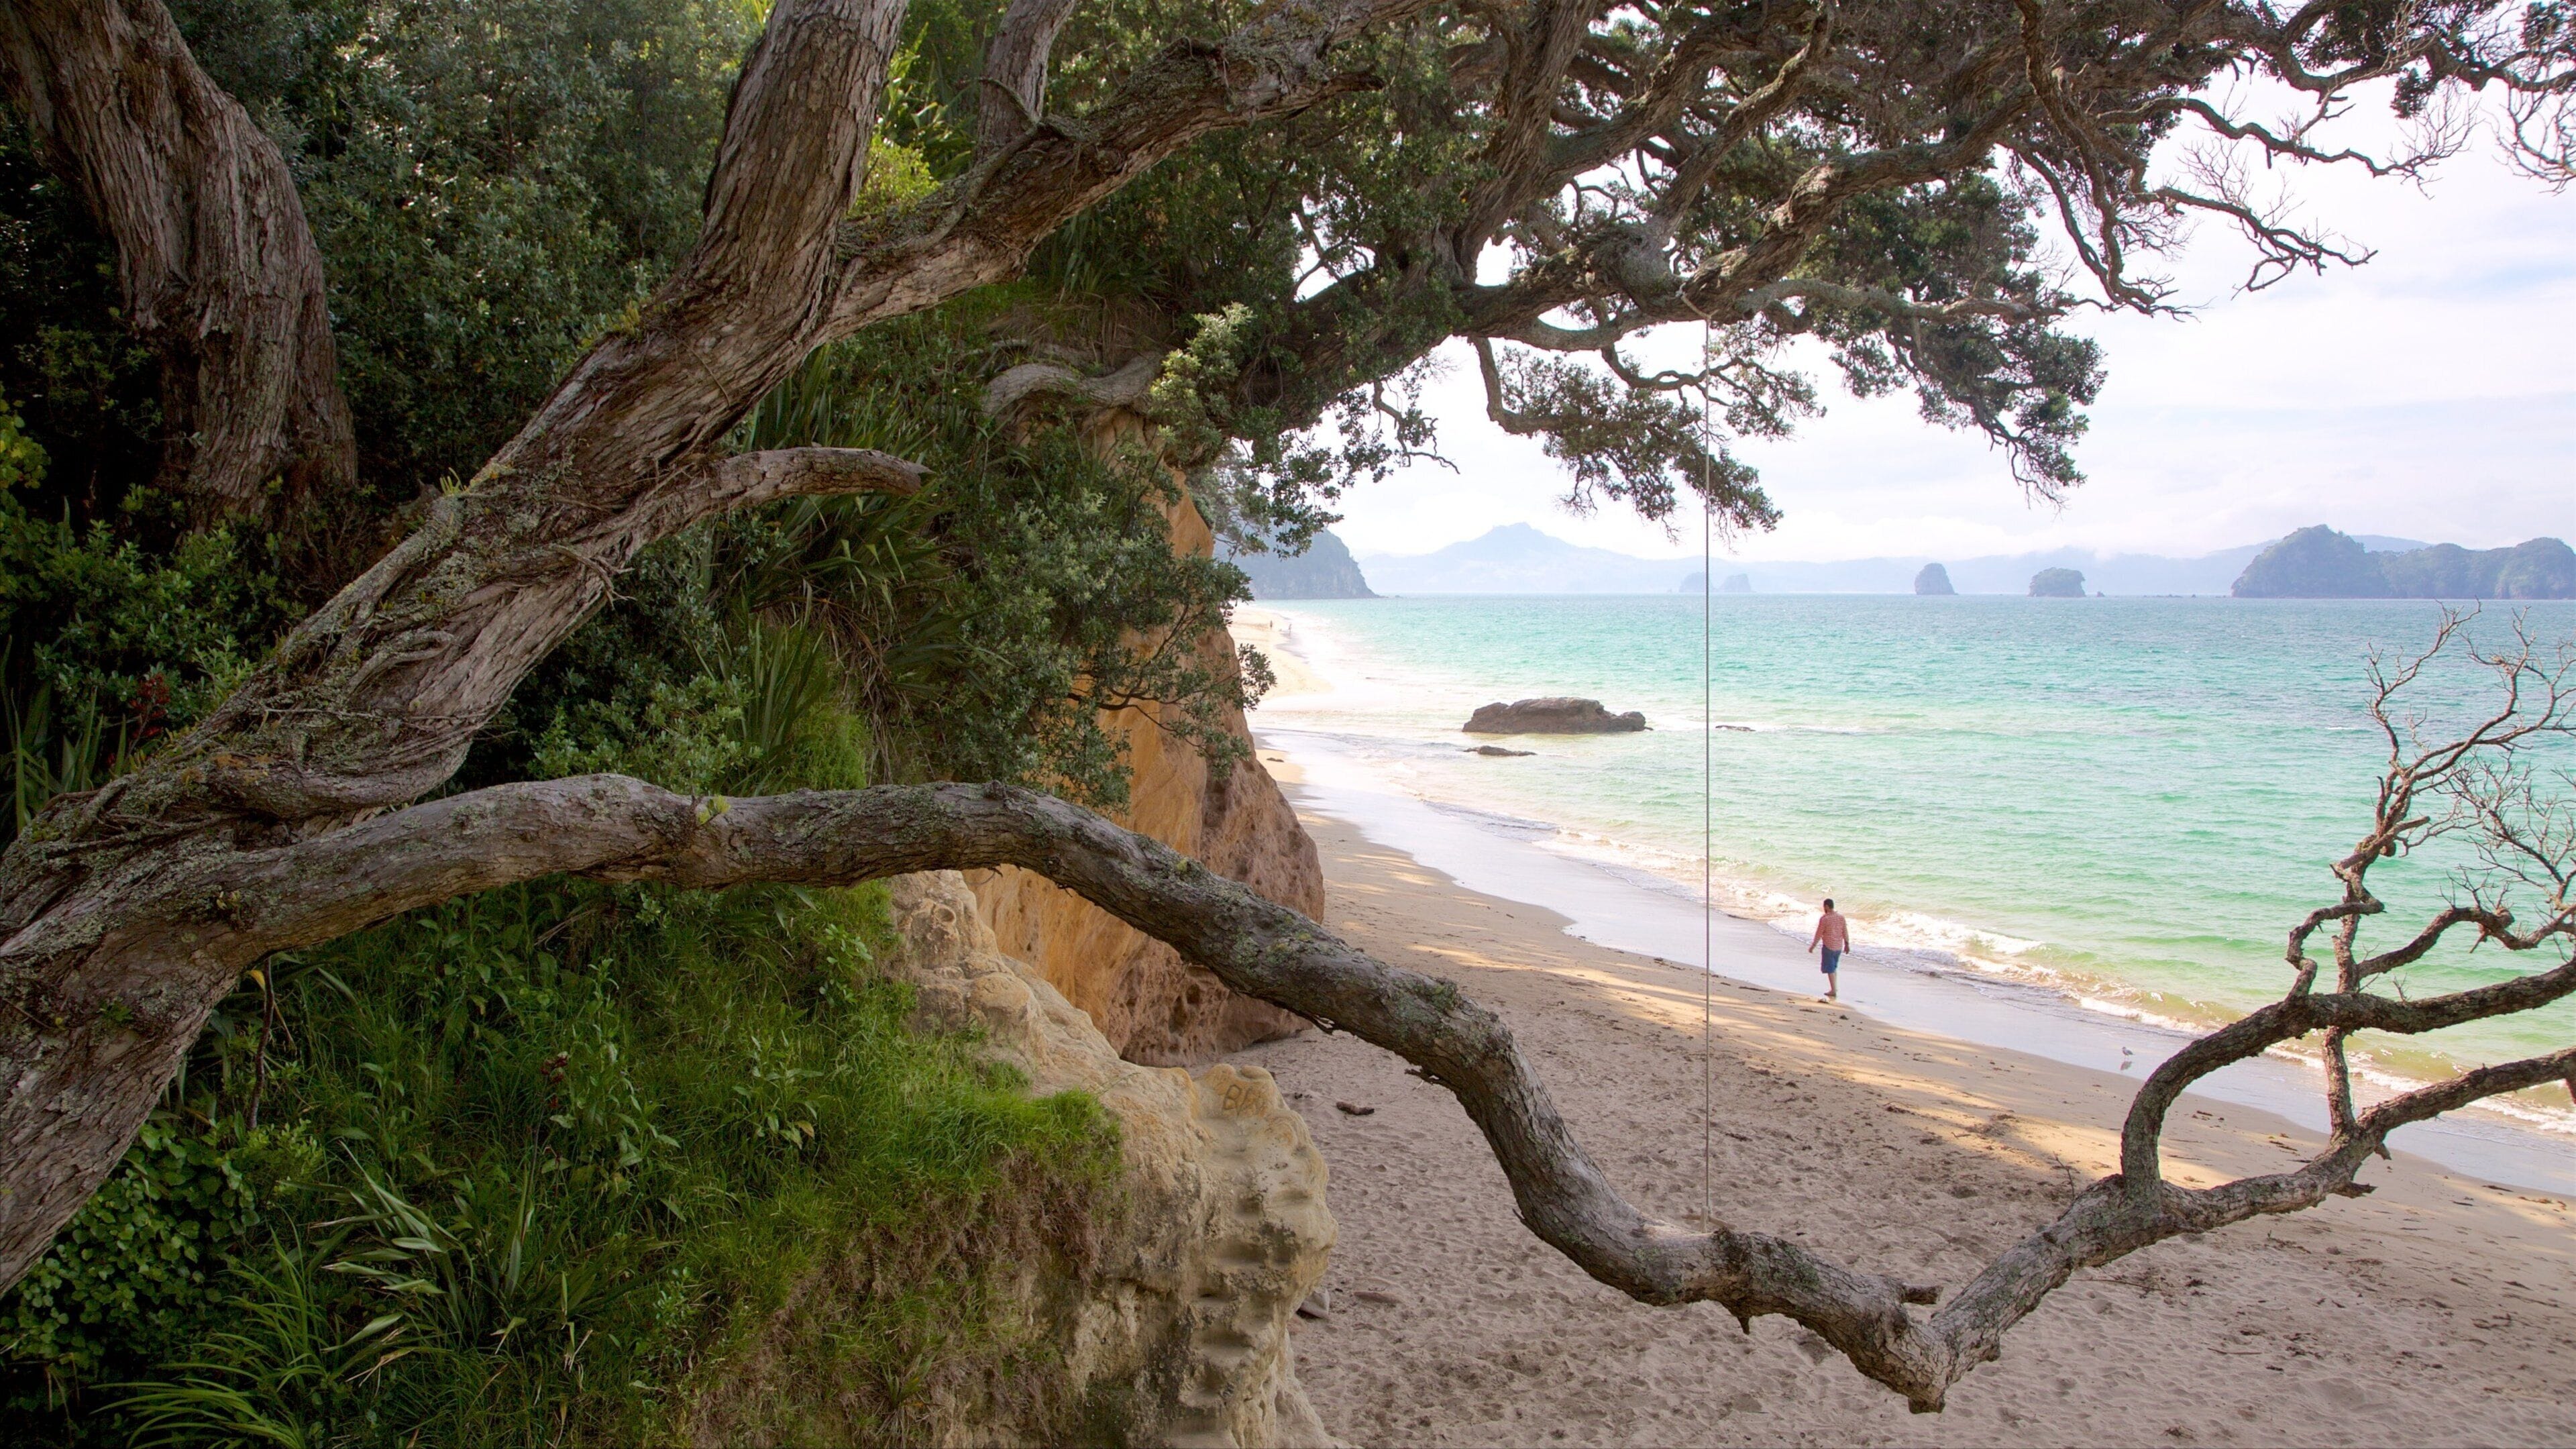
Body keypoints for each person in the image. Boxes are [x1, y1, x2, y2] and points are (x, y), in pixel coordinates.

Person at [1806, 898, 1849, 1001]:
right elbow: (1845, 932)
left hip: (1829, 947)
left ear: (1827, 906)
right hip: (1839, 946)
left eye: (1824, 906)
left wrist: (1813, 946)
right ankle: (1834, 988)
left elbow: (1819, 934)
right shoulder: (1841, 918)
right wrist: (1847, 944)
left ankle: (1833, 990)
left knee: (1830, 969)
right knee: (1834, 968)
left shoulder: (1825, 919)